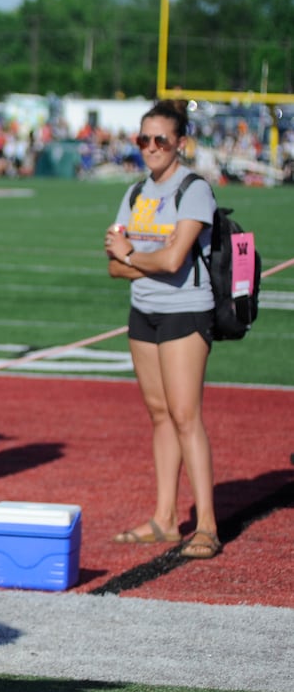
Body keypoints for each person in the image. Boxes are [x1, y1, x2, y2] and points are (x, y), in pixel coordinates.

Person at [104, 100, 220, 559]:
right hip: (144, 312)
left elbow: (176, 262)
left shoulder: (193, 190)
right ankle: (166, 519)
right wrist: (140, 259)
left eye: (160, 140)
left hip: (185, 311)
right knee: (158, 414)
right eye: (143, 140)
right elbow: (113, 267)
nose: (150, 148)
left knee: (185, 415)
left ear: (180, 144)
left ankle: (207, 525)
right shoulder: (135, 193)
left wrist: (133, 254)